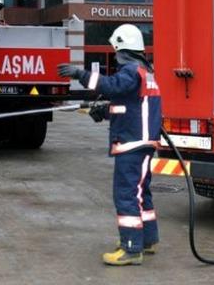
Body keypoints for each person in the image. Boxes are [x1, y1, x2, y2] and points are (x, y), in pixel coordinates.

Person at [58, 24, 161, 266]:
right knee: (140, 193)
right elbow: (130, 105)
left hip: (132, 143)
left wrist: (79, 74)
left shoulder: (131, 71)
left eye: (115, 50)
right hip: (142, 142)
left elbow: (112, 86)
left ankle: (131, 248)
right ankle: (146, 239)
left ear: (122, 49)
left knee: (126, 194)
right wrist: (104, 111)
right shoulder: (146, 72)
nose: (114, 55)